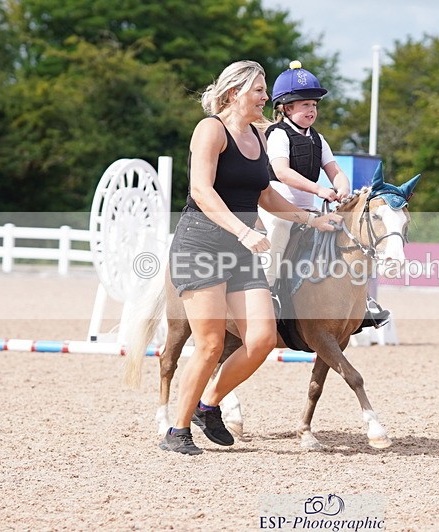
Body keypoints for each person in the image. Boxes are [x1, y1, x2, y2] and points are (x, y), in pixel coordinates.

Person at [160, 60, 341, 455]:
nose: (265, 97)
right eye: (258, 90)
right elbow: (202, 191)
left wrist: (311, 219)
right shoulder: (211, 130)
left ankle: (208, 406)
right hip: (202, 245)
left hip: (240, 251)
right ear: (233, 94)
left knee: (261, 339)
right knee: (209, 345)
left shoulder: (259, 137)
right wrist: (243, 230)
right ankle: (176, 431)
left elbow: (266, 195)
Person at [260, 61, 391, 328]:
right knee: (280, 230)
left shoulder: (318, 139)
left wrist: (341, 186)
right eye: (305, 104)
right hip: (276, 207)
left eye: (315, 105)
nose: (312, 110)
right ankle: (269, 294)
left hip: (309, 211)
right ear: (286, 108)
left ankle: (360, 301)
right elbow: (282, 172)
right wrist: (320, 189)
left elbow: (335, 171)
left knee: (342, 239)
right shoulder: (277, 135)